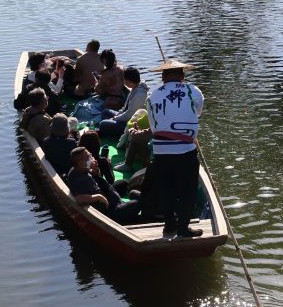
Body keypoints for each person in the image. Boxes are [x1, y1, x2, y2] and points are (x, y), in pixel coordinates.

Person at [146, 58, 204, 239]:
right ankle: (183, 227)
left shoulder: (153, 95)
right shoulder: (192, 90)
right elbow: (197, 112)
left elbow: (153, 127)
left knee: (166, 188)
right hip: (185, 148)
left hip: (161, 150)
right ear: (182, 76)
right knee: (187, 189)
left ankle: (169, 225)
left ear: (163, 77)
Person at [66, 146, 140, 223]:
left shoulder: (81, 168)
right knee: (138, 202)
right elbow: (79, 199)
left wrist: (96, 171)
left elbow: (99, 182)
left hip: (109, 196)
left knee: (123, 183)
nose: (91, 157)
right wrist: (99, 197)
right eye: (88, 156)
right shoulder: (78, 178)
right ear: (81, 163)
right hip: (110, 211)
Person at [98, 67, 149, 139]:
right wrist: (117, 115)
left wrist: (116, 119)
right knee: (105, 112)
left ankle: (116, 134)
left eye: (124, 80)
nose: (124, 82)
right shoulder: (134, 89)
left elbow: (130, 115)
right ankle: (110, 129)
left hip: (131, 124)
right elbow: (125, 108)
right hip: (126, 118)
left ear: (128, 81)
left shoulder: (139, 95)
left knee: (102, 124)